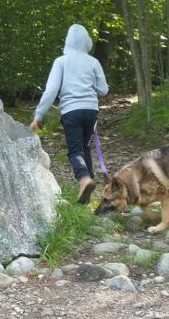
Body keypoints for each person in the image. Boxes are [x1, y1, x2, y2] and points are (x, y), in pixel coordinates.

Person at [29, 24, 109, 204]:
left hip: (71, 111)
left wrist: (38, 116)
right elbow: (103, 90)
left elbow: (51, 91)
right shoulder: (93, 62)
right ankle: (86, 196)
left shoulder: (61, 61)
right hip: (91, 111)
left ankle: (84, 179)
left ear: (68, 41)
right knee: (85, 148)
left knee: (75, 150)